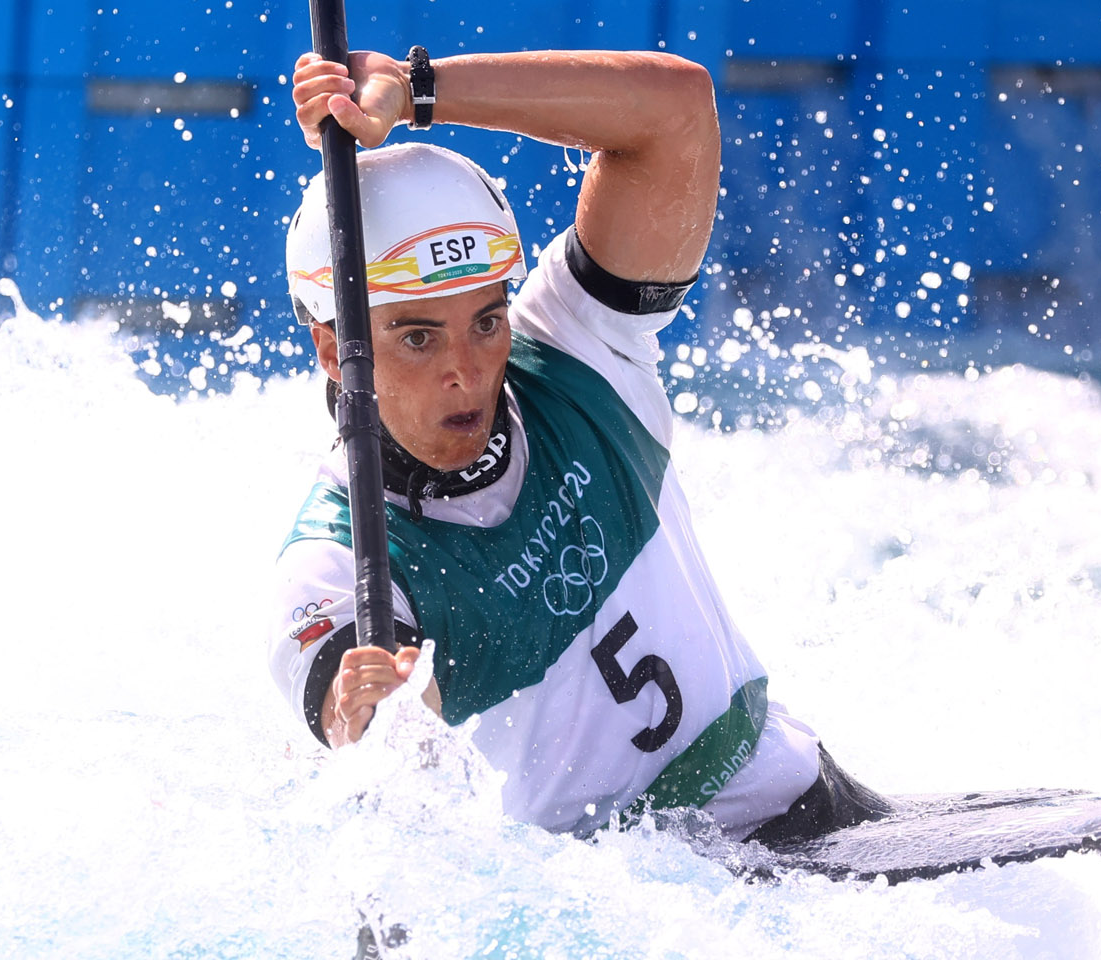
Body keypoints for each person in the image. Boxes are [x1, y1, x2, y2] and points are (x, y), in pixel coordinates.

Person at [268, 46, 889, 843]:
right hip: (635, 895)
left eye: (486, 322)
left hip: (809, 806)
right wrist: (373, 714)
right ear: (334, 349)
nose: (467, 372)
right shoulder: (331, 560)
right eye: (419, 338)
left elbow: (675, 112)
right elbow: (353, 720)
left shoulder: (578, 355)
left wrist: (419, 89)